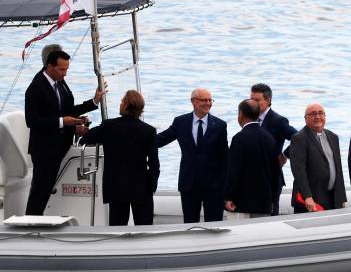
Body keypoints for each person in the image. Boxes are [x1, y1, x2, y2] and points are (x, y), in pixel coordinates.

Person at [25, 49, 105, 215]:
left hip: (58, 148)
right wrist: (63, 122)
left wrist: (93, 102)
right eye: (62, 69)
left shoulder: (60, 83)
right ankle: (31, 225)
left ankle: (36, 222)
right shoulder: (35, 88)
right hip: (44, 149)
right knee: (40, 192)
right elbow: (32, 121)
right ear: (49, 66)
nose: (65, 73)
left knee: (45, 190)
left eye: (67, 69)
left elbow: (68, 110)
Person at [82, 90, 159, 226]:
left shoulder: (109, 126)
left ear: (126, 106)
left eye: (122, 101)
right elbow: (154, 164)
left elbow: (87, 139)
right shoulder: (149, 131)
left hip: (116, 185)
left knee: (117, 228)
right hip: (141, 186)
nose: (120, 103)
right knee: (144, 228)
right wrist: (151, 187)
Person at [157, 88, 228, 223]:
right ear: (194, 102)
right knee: (190, 224)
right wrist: (139, 136)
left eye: (210, 100)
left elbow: (225, 157)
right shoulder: (181, 122)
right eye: (204, 100)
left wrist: (226, 186)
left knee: (214, 225)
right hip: (189, 184)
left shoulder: (219, 125)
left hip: (214, 186)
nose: (208, 103)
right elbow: (161, 140)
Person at [225, 99, 279, 216]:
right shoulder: (269, 138)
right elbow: (276, 172)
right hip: (264, 202)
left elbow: (234, 171)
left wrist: (229, 196)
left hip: (242, 203)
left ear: (241, 114)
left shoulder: (239, 138)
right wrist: (273, 199)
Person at [290, 103, 347, 213]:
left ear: (325, 116)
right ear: (306, 118)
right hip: (311, 200)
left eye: (321, 113)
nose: (317, 117)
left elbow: (338, 169)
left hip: (332, 197)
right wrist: (307, 196)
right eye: (313, 114)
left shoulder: (333, 137)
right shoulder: (299, 138)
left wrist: (341, 198)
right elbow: (298, 170)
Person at [250, 83, 297, 215]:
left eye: (257, 100)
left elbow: (298, 138)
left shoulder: (278, 120)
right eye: (251, 100)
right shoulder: (249, 117)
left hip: (271, 177)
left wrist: (285, 155)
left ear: (268, 101)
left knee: (269, 216)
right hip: (252, 177)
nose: (253, 104)